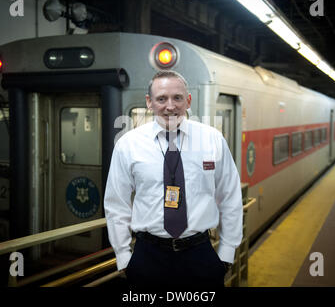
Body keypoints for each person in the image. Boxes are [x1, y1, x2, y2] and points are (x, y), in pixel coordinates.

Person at [104, 70, 243, 288]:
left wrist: (226, 252)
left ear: (188, 101)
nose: (170, 106)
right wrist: (123, 254)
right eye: (161, 99)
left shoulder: (212, 139)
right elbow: (116, 203)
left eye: (177, 97)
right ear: (149, 102)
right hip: (148, 257)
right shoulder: (128, 144)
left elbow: (230, 197)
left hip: (200, 255)